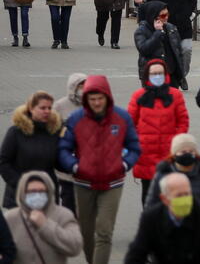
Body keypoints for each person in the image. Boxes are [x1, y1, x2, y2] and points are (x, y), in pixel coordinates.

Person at [57, 75, 140, 264]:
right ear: (86, 99)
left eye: (100, 98)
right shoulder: (76, 119)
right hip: (83, 183)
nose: (96, 103)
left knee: (104, 232)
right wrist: (74, 166)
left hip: (113, 183)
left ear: (107, 97)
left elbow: (134, 147)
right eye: (92, 99)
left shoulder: (121, 117)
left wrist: (125, 164)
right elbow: (64, 148)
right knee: (86, 233)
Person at [125, 172, 200, 264]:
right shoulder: (152, 218)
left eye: (187, 194)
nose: (184, 199)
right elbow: (136, 254)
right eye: (179, 195)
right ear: (164, 199)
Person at [127, 59, 190, 205]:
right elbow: (129, 123)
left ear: (166, 75)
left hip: (169, 153)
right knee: (148, 193)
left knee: (168, 193)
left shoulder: (175, 95)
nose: (157, 76)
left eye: (160, 73)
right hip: (146, 153)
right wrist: (139, 141)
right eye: (154, 73)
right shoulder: (138, 96)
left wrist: (176, 141)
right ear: (147, 76)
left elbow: (183, 121)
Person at [3, 172, 82, 264]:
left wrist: (45, 225)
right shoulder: (10, 218)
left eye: (41, 191)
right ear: (22, 193)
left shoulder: (63, 215)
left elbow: (75, 247)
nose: (37, 196)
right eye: (32, 192)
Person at [0, 92, 61, 209]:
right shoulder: (15, 132)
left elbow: (58, 163)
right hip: (20, 194)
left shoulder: (54, 132)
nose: (47, 111)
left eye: (49, 108)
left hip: (47, 193)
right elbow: (3, 162)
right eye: (42, 108)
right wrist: (21, 184)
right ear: (31, 108)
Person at [147, 0, 198, 78]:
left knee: (186, 50)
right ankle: (171, 77)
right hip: (167, 23)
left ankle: (182, 75)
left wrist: (190, 12)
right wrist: (159, 16)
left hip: (184, 22)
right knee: (167, 52)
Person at [144, 134, 200, 209]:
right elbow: (151, 206)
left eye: (191, 151)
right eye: (183, 151)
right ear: (174, 154)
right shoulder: (162, 176)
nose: (187, 154)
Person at [52, 74, 85, 213]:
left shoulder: (93, 103)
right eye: (80, 86)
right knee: (68, 204)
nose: (83, 89)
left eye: (86, 85)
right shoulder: (60, 106)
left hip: (87, 168)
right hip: (66, 168)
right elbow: (53, 132)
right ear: (73, 87)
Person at [133, 0, 186, 85]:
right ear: (154, 16)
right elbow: (143, 49)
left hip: (172, 74)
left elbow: (178, 50)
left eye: (167, 14)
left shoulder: (171, 28)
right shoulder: (141, 31)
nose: (166, 17)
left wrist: (180, 72)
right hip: (153, 74)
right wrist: (157, 33)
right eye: (163, 15)